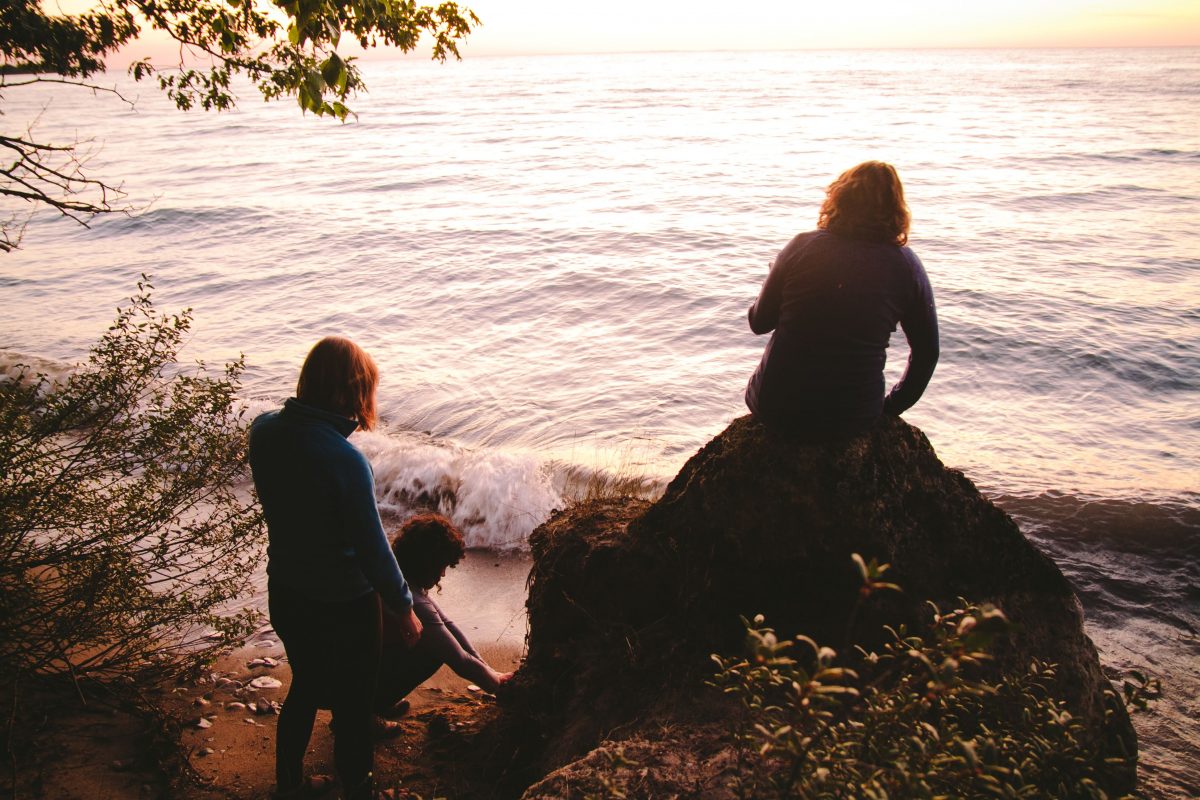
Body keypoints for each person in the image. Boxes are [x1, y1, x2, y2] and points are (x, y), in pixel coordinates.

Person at [248, 336, 423, 800]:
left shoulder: (264, 431)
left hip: (286, 587)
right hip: (344, 602)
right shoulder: (345, 460)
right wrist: (403, 605)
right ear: (353, 391)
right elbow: (371, 547)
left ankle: (289, 784)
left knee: (303, 686)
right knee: (352, 703)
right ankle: (358, 788)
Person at [745, 160, 939, 440]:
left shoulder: (801, 246)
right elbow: (927, 353)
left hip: (777, 407)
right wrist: (893, 406)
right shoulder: (907, 266)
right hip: (853, 416)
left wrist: (771, 278)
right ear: (896, 208)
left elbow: (759, 322)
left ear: (840, 198)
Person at [375, 513, 513, 718]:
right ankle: (367, 712)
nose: (443, 574)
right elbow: (458, 659)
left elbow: (448, 625)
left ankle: (371, 704)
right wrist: (499, 688)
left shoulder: (400, 581)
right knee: (433, 651)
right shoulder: (413, 601)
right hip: (351, 678)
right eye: (443, 566)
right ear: (429, 563)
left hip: (356, 666)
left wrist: (492, 672)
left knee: (435, 639)